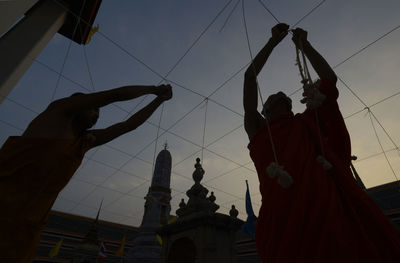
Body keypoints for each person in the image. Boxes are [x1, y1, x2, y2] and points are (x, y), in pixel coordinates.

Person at [244, 23, 400, 262]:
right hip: (282, 221)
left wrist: (304, 45)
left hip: (325, 213)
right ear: (264, 110)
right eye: (274, 96)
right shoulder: (258, 130)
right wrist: (272, 42)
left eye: (284, 96)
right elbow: (250, 76)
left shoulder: (306, 121)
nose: (281, 95)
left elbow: (328, 79)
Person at [0, 84, 172, 262]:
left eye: (98, 113)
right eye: (93, 108)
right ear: (77, 103)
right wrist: (154, 89)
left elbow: (129, 125)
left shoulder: (83, 142)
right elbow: (116, 94)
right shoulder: (57, 112)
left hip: (26, 228)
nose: (97, 115)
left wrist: (159, 100)